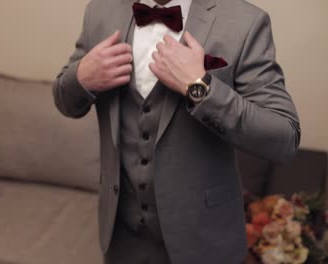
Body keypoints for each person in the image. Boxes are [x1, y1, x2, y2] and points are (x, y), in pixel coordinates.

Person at [53, 0, 300, 263]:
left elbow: (283, 138)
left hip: (204, 241)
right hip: (121, 239)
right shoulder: (100, 10)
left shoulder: (245, 22)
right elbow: (65, 101)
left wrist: (199, 86)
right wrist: (81, 78)